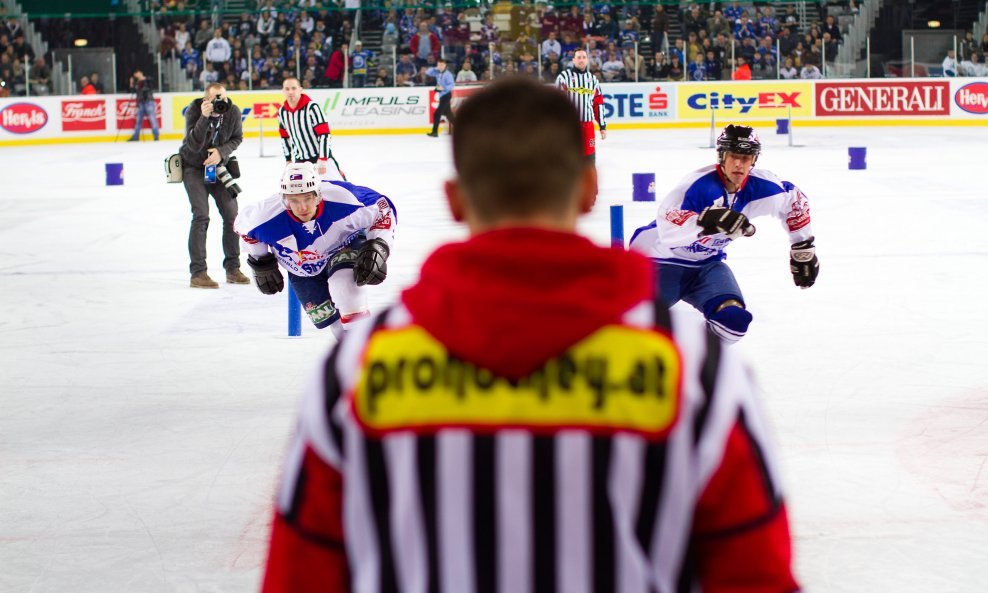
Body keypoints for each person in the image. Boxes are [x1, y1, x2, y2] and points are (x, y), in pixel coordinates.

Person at [258, 78, 801, 593]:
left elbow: (302, 574)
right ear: (589, 191)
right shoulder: (692, 367)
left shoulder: (357, 368)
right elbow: (754, 571)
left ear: (454, 200)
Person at [629, 124, 819, 342]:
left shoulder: (762, 187)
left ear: (754, 160)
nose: (739, 164)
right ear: (721, 156)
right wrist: (705, 221)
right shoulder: (698, 186)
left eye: (746, 157)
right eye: (733, 156)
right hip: (659, 262)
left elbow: (794, 200)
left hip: (707, 266)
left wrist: (802, 247)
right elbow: (667, 227)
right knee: (628, 329)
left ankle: (696, 358)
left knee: (734, 323)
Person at [234, 162, 396, 337]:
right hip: (301, 268)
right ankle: (349, 355)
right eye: (294, 200)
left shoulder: (344, 198)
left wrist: (378, 245)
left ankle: (364, 353)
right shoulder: (264, 216)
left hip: (342, 248)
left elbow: (382, 207)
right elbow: (243, 228)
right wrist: (261, 260)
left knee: (345, 290)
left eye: (307, 198)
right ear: (284, 199)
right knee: (330, 319)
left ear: (318, 195)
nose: (302, 207)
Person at [178, 83, 247, 288]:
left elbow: (237, 138)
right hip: (193, 167)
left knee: (232, 215)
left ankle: (233, 269)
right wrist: (204, 117)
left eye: (223, 98)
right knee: (201, 216)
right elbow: (193, 144)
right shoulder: (194, 109)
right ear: (206, 99)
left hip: (218, 167)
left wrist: (220, 152)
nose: (220, 102)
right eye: (216, 98)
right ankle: (198, 273)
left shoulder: (232, 111)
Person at [278, 76, 343, 178]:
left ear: (300, 89)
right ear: (283, 91)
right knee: (303, 193)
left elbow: (324, 135)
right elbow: (285, 137)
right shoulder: (282, 112)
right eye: (287, 89)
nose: (290, 92)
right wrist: (288, 159)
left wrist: (323, 159)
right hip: (300, 162)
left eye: (294, 88)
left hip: (321, 160)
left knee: (337, 190)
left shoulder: (312, 108)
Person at [555, 49, 606, 163]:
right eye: (578, 57)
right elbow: (556, 103)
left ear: (587, 60)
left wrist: (602, 126)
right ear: (573, 60)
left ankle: (589, 180)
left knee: (590, 158)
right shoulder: (564, 77)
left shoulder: (592, 80)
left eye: (583, 57)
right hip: (570, 126)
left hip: (588, 126)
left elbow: (598, 103)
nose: (581, 60)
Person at [425, 58, 454, 137]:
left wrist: (444, 88)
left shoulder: (448, 74)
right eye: (439, 65)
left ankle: (434, 132)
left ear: (445, 65)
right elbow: (427, 72)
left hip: (446, 95)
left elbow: (452, 85)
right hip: (442, 96)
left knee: (437, 114)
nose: (440, 66)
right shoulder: (437, 72)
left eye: (442, 65)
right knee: (449, 115)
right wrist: (435, 68)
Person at [127, 70, 158, 141]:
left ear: (140, 73)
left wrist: (142, 81)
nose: (136, 75)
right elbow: (132, 91)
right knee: (138, 121)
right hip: (140, 103)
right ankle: (135, 136)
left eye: (137, 73)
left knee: (152, 119)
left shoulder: (147, 80)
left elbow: (149, 87)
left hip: (148, 101)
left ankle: (156, 135)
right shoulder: (137, 83)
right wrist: (131, 83)